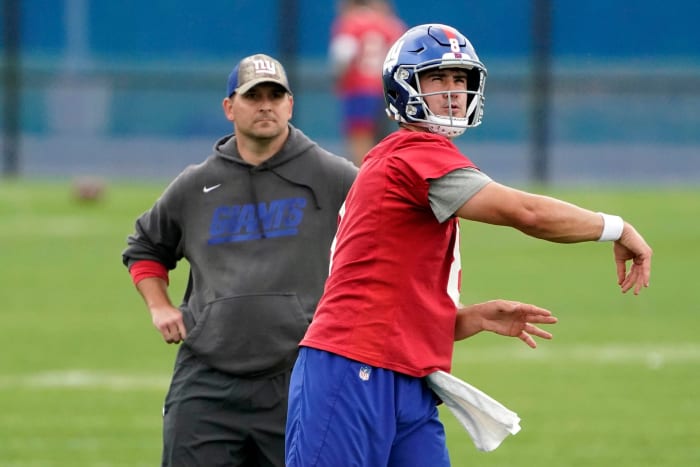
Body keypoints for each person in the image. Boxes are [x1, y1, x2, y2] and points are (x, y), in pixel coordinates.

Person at [285, 24, 653, 466]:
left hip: (406, 376)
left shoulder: (404, 156)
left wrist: (464, 319)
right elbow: (527, 214)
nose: (453, 91)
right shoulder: (413, 153)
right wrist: (615, 227)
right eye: (437, 78)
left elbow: (385, 293)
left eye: (460, 80)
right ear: (404, 86)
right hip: (351, 369)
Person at [121, 53, 358, 467]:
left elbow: (387, 235)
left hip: (297, 375)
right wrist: (159, 306)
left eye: (275, 95)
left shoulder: (333, 176)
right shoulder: (196, 185)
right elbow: (145, 247)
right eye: (253, 96)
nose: (265, 104)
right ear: (230, 108)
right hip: (206, 377)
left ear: (290, 105)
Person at [329, 0, 406, 166]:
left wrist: (338, 79)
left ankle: (364, 181)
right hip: (387, 91)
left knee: (360, 141)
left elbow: (343, 54)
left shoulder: (350, 23)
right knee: (385, 142)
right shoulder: (391, 24)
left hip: (359, 89)